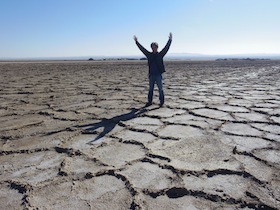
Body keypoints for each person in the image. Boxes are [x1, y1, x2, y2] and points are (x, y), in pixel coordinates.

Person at [134, 33, 172, 107]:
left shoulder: (160, 54)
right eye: (152, 47)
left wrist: (170, 40)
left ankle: (161, 102)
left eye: (155, 47)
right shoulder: (149, 55)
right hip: (151, 75)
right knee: (151, 89)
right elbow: (142, 49)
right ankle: (149, 102)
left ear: (157, 47)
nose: (153, 48)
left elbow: (166, 48)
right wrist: (137, 42)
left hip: (158, 75)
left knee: (160, 89)